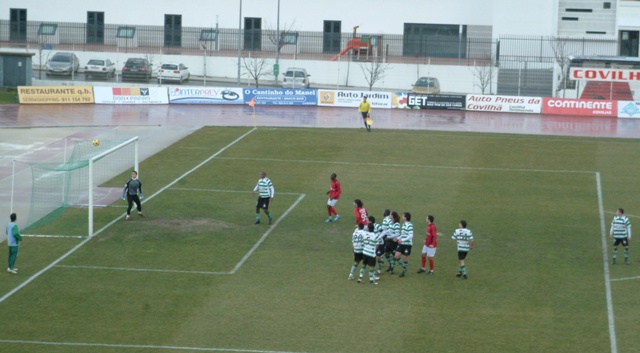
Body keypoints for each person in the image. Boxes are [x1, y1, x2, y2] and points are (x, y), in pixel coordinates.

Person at [394, 212, 413, 277]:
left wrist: (402, 240)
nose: (402, 217)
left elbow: (411, 235)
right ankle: (405, 268)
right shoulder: (404, 224)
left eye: (403, 216)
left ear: (405, 218)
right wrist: (398, 238)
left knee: (405, 257)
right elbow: (403, 235)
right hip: (402, 243)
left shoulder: (410, 225)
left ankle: (404, 271)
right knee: (396, 256)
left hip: (407, 244)